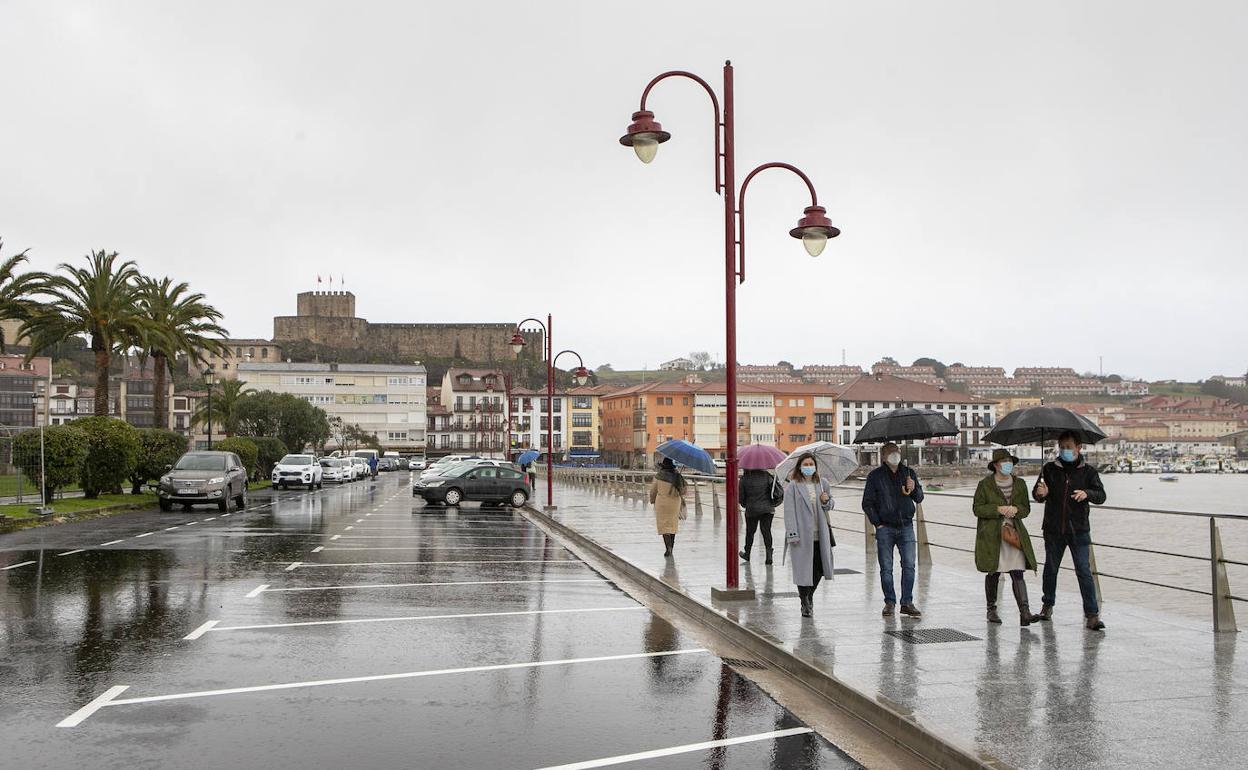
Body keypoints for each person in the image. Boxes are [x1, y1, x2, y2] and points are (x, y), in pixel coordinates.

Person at [1033, 431, 1107, 630]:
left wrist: (1087, 493)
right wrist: (1042, 494)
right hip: (1053, 529)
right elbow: (1037, 493)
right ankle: (1047, 605)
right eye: (1062, 447)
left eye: (1068, 447)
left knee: (1083, 570)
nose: (1065, 451)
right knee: (1051, 569)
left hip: (1079, 529)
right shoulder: (1049, 469)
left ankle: (1092, 614)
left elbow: (1101, 495)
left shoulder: (1088, 472)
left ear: (1078, 447)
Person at [973, 449, 1041, 625]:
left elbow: (1025, 508)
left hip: (1013, 533)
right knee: (993, 571)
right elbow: (977, 509)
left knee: (1017, 571)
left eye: (1009, 461)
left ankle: (1024, 612)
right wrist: (998, 509)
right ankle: (991, 609)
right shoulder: (984, 485)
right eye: (1003, 461)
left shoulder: (1020, 484)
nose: (1007, 464)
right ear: (995, 465)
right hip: (992, 535)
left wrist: (1016, 509)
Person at [862, 442, 924, 617]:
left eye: (896, 451)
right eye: (890, 452)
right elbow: (867, 503)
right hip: (885, 528)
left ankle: (907, 602)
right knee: (886, 568)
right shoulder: (875, 476)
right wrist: (878, 524)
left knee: (909, 565)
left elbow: (919, 498)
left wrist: (913, 489)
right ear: (883, 456)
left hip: (906, 526)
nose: (894, 454)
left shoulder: (909, 473)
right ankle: (889, 602)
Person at [783, 453, 835, 618]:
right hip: (801, 534)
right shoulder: (793, 486)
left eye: (811, 463)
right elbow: (789, 511)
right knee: (802, 569)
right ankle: (805, 602)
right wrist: (792, 534)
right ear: (799, 466)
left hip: (821, 533)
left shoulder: (822, 483)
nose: (808, 466)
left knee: (819, 567)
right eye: (805, 464)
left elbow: (831, 504)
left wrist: (826, 500)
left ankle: (808, 595)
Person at [739, 468, 785, 565]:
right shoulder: (768, 476)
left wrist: (745, 504)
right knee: (766, 531)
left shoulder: (745, 478)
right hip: (767, 509)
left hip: (752, 509)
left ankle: (747, 553)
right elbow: (776, 491)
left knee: (750, 532)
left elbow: (741, 498)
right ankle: (768, 555)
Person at [648, 457, 686, 557]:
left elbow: (653, 491)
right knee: (672, 525)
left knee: (664, 526)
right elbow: (683, 491)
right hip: (674, 504)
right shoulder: (677, 476)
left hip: (662, 504)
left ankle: (667, 547)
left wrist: (652, 500)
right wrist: (679, 480)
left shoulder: (658, 476)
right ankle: (671, 547)